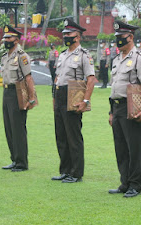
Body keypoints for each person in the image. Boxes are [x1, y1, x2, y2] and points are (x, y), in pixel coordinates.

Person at [108, 20, 141, 198]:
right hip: (117, 107)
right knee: (120, 147)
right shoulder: (117, 60)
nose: (118, 40)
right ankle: (124, 182)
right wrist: (111, 112)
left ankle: (135, 184)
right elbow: (114, 88)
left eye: (122, 37)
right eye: (117, 37)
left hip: (132, 107)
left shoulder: (139, 59)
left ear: (131, 37)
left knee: (134, 147)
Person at [51, 19, 96, 183]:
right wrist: (54, 99)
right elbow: (57, 78)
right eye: (64, 34)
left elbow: (91, 79)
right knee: (61, 135)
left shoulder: (84, 55)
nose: (65, 36)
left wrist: (85, 100)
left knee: (73, 136)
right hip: (60, 94)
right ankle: (65, 170)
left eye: (69, 34)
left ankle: (76, 173)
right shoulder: (63, 55)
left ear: (78, 36)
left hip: (74, 94)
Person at [1, 25, 36, 172]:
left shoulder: (22, 56)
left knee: (18, 129)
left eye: (9, 37)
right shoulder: (5, 56)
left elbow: (28, 78)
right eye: (5, 38)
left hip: (18, 93)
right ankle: (14, 159)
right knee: (9, 128)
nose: (6, 40)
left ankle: (22, 162)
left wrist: (32, 98)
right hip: (6, 93)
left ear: (16, 39)